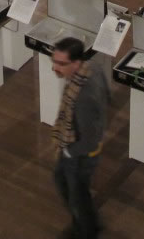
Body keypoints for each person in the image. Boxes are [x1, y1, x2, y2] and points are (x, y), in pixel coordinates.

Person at [50, 36, 108, 239]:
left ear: (76, 63)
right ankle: (88, 224)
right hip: (76, 145)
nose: (55, 68)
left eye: (61, 64)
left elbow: (89, 141)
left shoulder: (84, 96)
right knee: (66, 183)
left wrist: (67, 151)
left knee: (76, 195)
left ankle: (86, 231)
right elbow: (108, 95)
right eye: (54, 61)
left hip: (79, 153)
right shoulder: (92, 68)